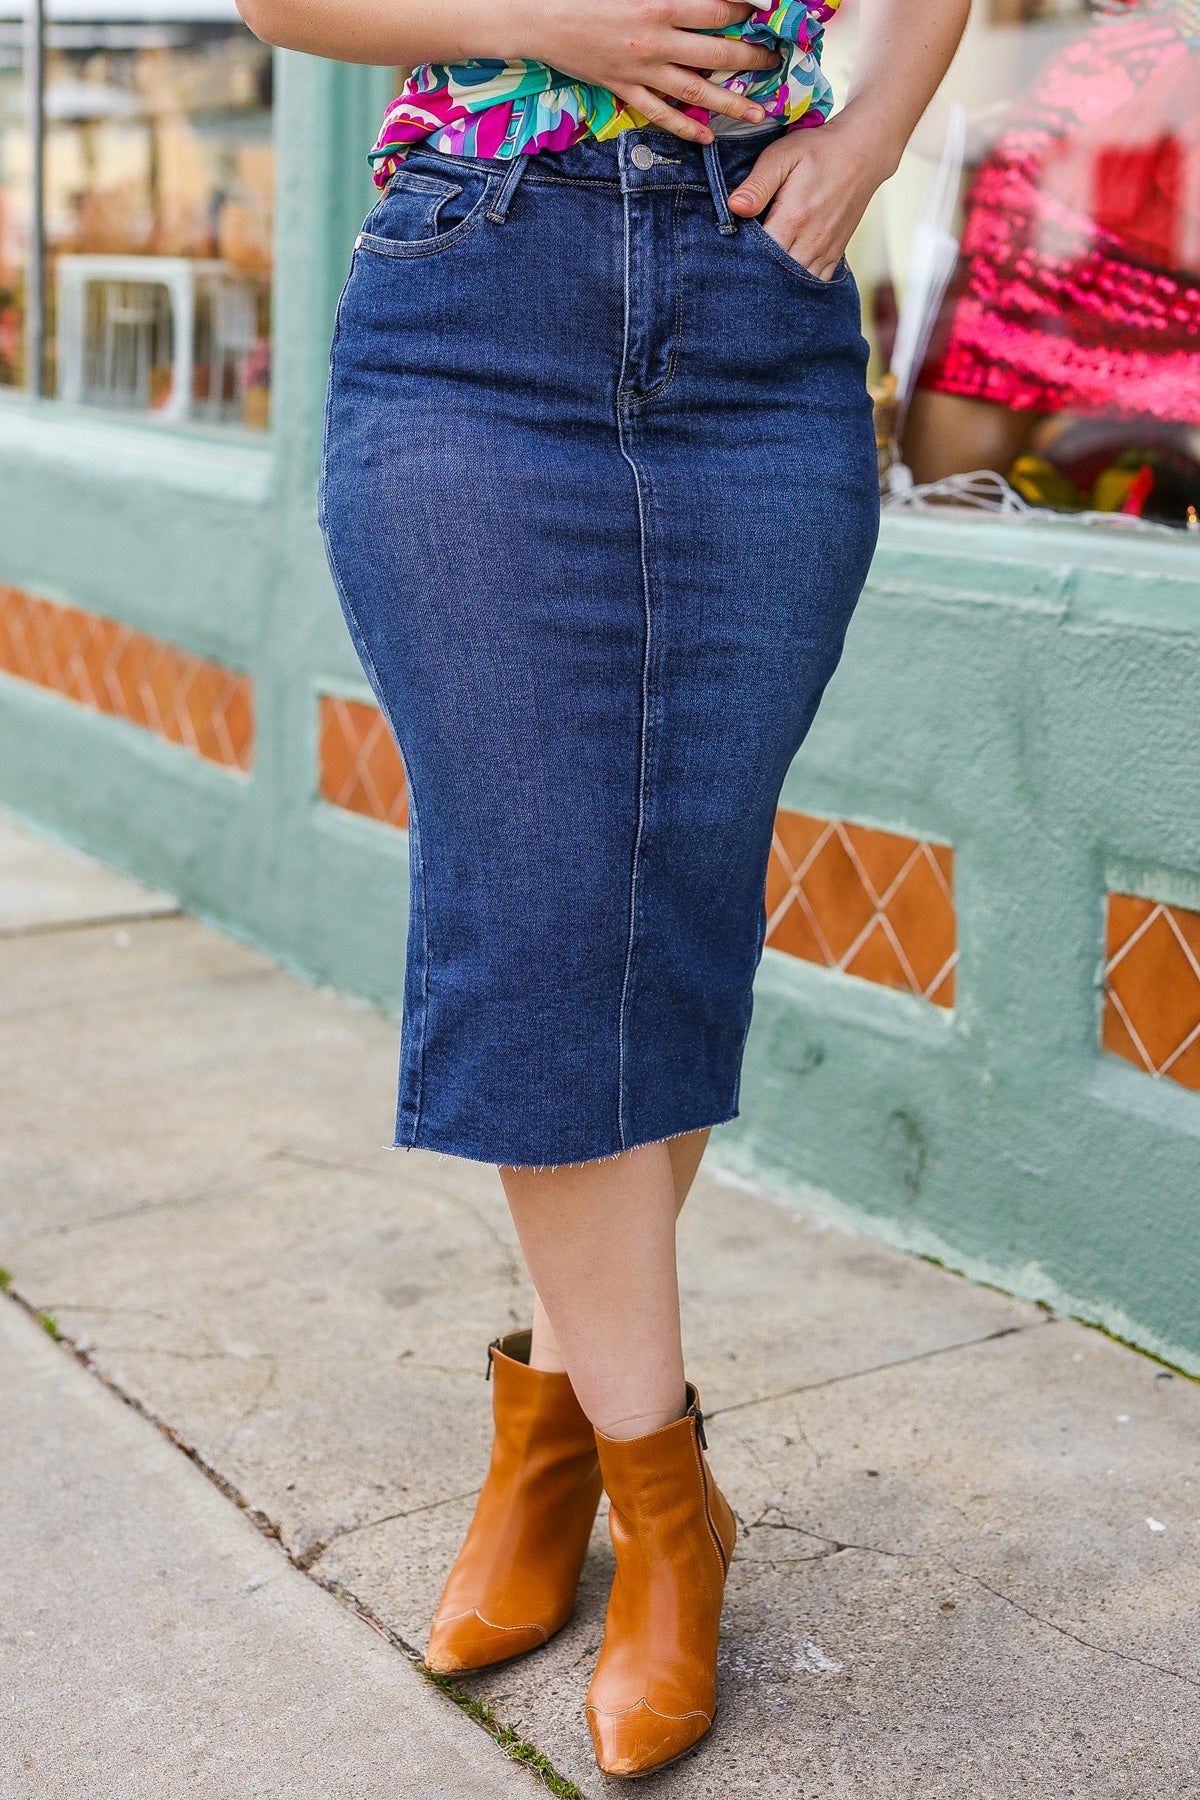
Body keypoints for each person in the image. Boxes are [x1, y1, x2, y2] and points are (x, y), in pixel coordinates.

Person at [237, 0, 968, 1778]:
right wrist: (535, 19)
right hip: (475, 302)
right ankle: (669, 1508)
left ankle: (545, 1443)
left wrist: (870, 134)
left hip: (759, 307)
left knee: (672, 902)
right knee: (547, 913)